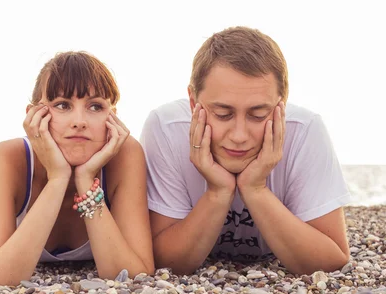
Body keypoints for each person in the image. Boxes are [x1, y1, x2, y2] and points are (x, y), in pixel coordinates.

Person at [140, 26, 352, 276]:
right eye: (222, 114)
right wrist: (218, 192)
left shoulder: (305, 131)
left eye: (258, 115)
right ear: (193, 102)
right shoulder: (166, 128)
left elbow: (332, 261)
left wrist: (256, 189)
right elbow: (166, 262)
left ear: (281, 106)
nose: (239, 136)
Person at [0, 51, 154, 285]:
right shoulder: (7, 159)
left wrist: (86, 179)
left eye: (95, 107)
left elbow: (134, 274)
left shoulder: (125, 156)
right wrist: (58, 178)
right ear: (33, 115)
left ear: (112, 118)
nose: (79, 121)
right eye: (62, 105)